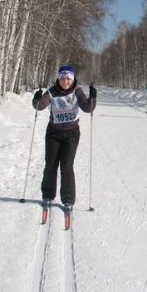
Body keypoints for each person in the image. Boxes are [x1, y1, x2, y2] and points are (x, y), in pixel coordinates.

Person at [32, 65, 96, 212]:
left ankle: (68, 199)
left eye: (68, 79)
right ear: (59, 79)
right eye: (63, 78)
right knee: (50, 165)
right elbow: (40, 106)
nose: (65, 81)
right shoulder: (52, 91)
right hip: (53, 133)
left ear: (72, 79)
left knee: (67, 167)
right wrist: (36, 99)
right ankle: (48, 196)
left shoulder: (77, 91)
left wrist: (93, 97)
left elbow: (87, 108)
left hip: (71, 134)